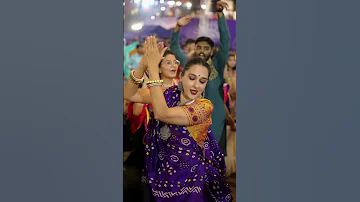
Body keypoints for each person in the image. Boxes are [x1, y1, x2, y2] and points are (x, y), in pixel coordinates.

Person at [124, 36, 232, 202]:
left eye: (202, 81)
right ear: (182, 76)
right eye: (192, 78)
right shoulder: (167, 94)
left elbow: (162, 114)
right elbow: (129, 94)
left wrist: (153, 68)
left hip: (190, 180)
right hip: (157, 172)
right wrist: (143, 65)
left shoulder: (203, 107)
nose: (196, 85)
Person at [169, 0, 231, 154]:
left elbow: (226, 41)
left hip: (215, 117)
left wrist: (220, 14)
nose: (202, 50)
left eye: (206, 48)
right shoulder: (189, 63)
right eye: (199, 47)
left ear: (212, 50)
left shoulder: (218, 62)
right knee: (191, 155)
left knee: (212, 155)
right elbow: (175, 47)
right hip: (192, 116)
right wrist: (177, 27)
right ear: (194, 48)